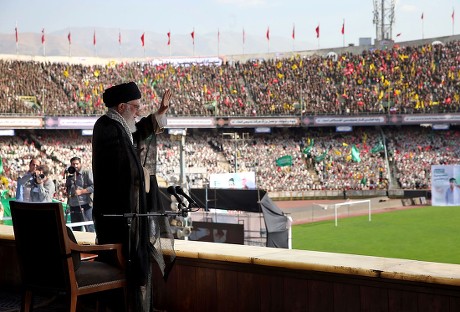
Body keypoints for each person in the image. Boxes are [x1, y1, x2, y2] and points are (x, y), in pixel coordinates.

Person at [92, 82, 173, 312]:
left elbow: (136, 136)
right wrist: (146, 176)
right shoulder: (108, 128)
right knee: (128, 279)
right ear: (121, 106)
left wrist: (159, 114)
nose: (138, 112)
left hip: (121, 216)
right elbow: (126, 169)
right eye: (136, 107)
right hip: (117, 220)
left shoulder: (117, 125)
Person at [65, 156, 94, 232]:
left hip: (85, 205)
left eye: (77, 164)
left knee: (88, 228)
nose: (75, 166)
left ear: (80, 164)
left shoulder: (86, 173)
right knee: (75, 229)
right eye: (73, 164)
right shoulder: (70, 174)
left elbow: (94, 186)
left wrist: (81, 191)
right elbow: (67, 188)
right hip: (73, 205)